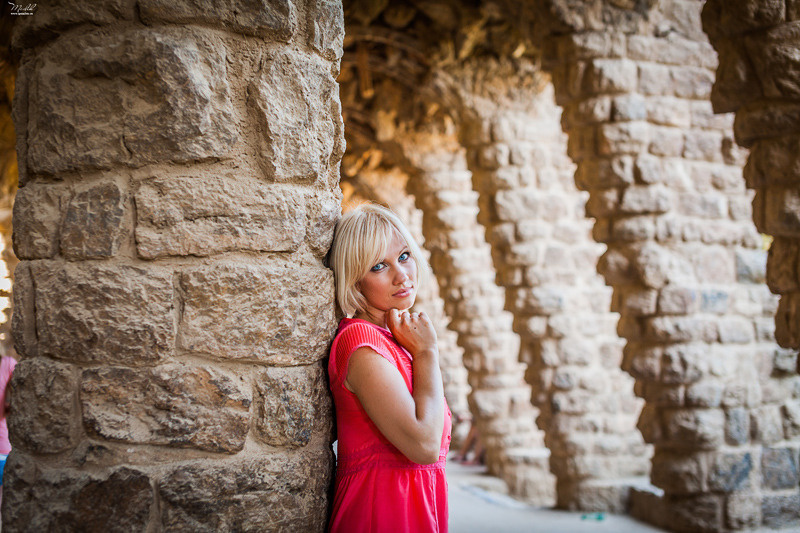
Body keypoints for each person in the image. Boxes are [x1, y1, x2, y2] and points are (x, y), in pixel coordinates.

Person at [327, 203, 451, 533]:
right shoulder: (361, 342)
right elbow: (424, 446)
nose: (402, 275)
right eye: (379, 266)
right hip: (380, 514)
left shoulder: (397, 340)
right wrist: (427, 353)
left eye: (405, 255)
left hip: (416, 510)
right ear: (355, 282)